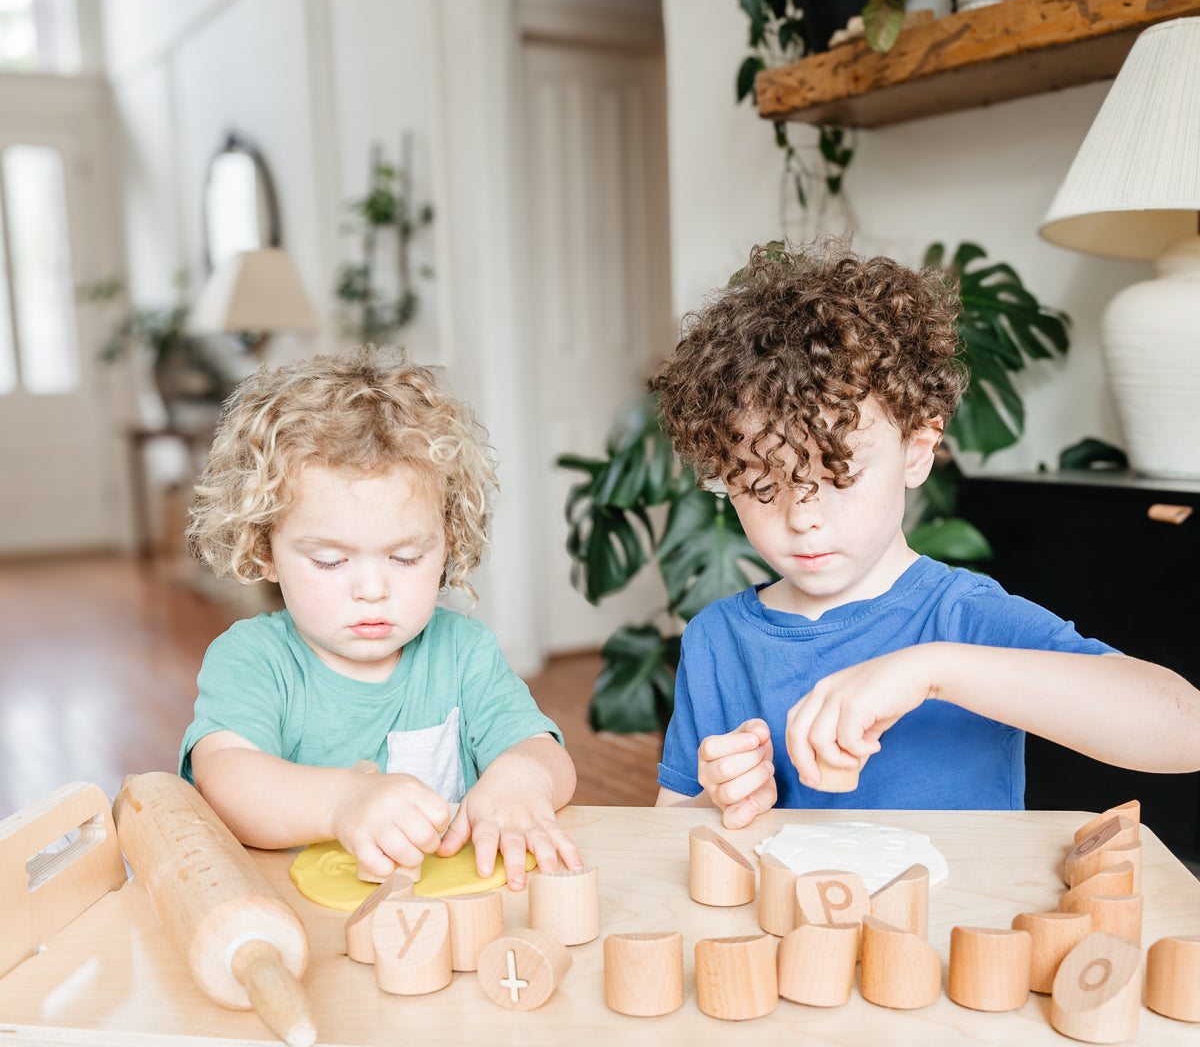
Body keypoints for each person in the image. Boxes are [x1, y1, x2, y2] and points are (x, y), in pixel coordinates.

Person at [650, 243, 1200, 829]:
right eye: (762, 483)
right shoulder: (718, 641)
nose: (801, 516)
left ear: (917, 451)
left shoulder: (965, 620)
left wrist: (932, 670)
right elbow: (667, 827)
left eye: (840, 477)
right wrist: (718, 798)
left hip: (954, 921)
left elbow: (1184, 726)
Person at [182, 346, 580, 890]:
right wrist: (343, 801)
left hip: (447, 917)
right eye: (329, 561)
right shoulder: (252, 659)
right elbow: (226, 780)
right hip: (306, 924)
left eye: (406, 557)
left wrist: (521, 778)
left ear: (449, 543)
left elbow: (542, 751)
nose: (372, 589)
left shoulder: (462, 651)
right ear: (263, 549)